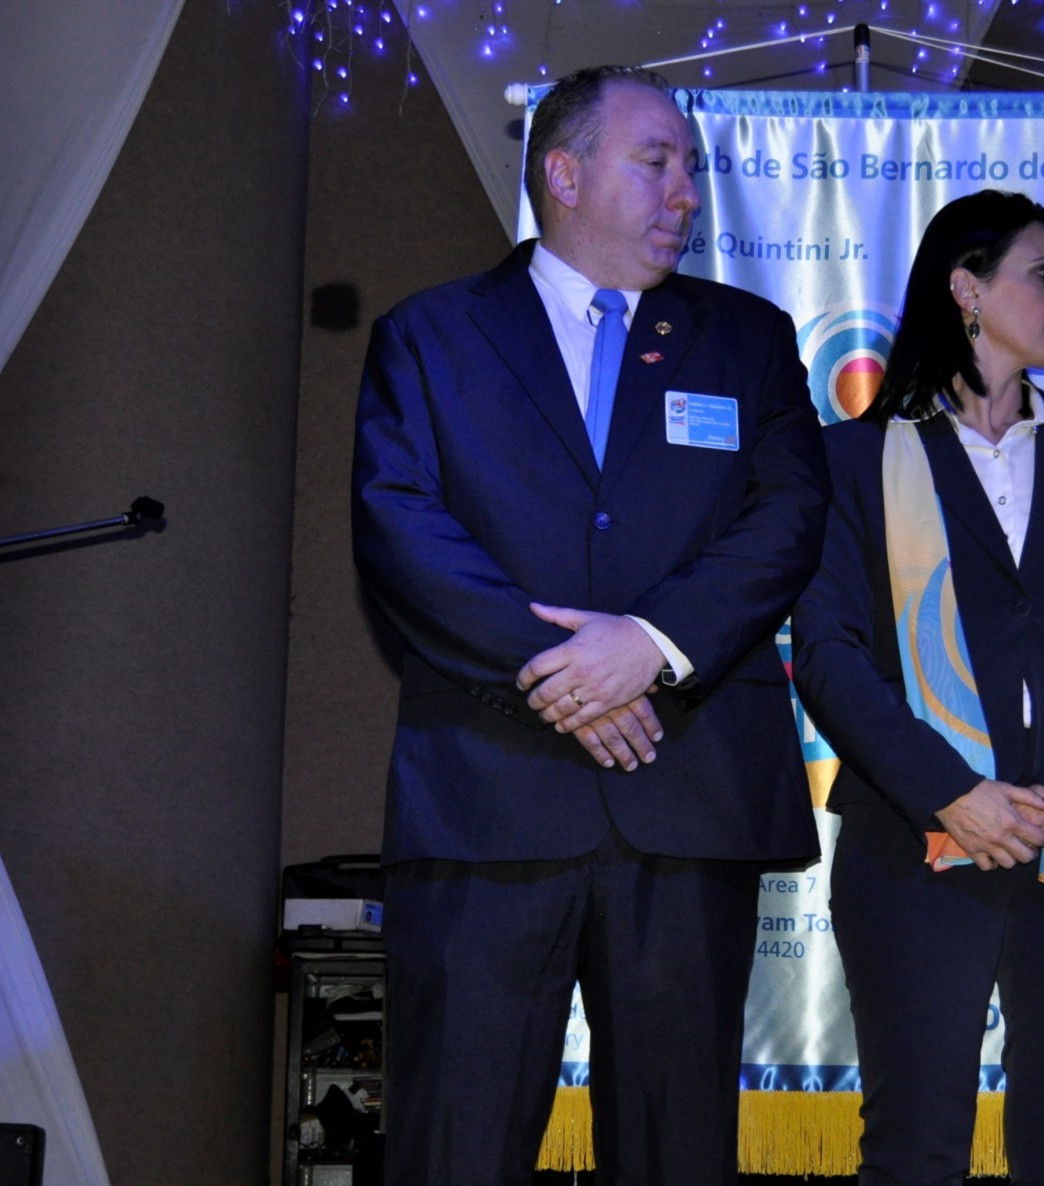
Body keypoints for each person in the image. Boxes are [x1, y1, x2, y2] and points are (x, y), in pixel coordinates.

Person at [352, 65, 829, 1186]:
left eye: (691, 168)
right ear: (563, 175)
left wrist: (648, 648)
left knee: (678, 1145)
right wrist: (563, 670)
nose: (686, 193)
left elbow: (789, 516)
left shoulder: (747, 339)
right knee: (455, 1139)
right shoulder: (432, 335)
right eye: (655, 163)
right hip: (487, 795)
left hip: (687, 790)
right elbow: (400, 525)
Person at [791, 190, 1044, 1186]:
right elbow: (829, 655)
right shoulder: (849, 462)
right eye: (1043, 274)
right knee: (914, 1150)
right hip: (913, 850)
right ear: (966, 289)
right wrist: (955, 795)